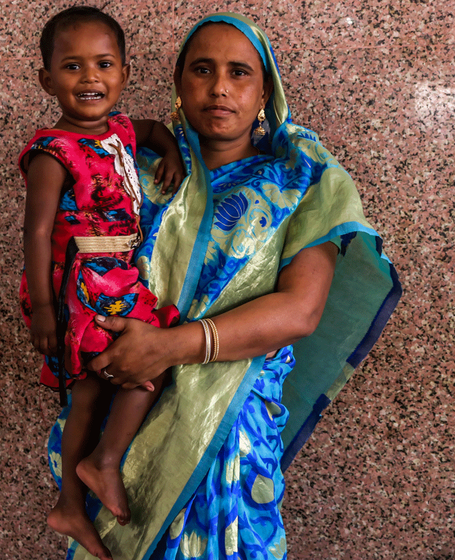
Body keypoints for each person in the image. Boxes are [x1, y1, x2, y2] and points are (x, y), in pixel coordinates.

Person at [46, 12, 401, 560]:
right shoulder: (125, 170)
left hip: (229, 426)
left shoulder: (300, 179)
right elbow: (71, 262)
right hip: (121, 408)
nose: (219, 88)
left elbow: (300, 312)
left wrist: (166, 346)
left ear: (265, 92)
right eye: (202, 70)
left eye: (239, 73)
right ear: (178, 84)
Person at [18, 6, 185, 560]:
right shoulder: (54, 151)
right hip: (83, 286)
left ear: (125, 73)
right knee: (145, 368)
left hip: (117, 274)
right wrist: (43, 308)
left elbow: (157, 130)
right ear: (47, 80)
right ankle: (102, 463)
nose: (90, 78)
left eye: (104, 64)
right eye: (72, 66)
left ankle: (70, 503)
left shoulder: (117, 131)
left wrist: (171, 155)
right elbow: (37, 232)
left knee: (91, 393)